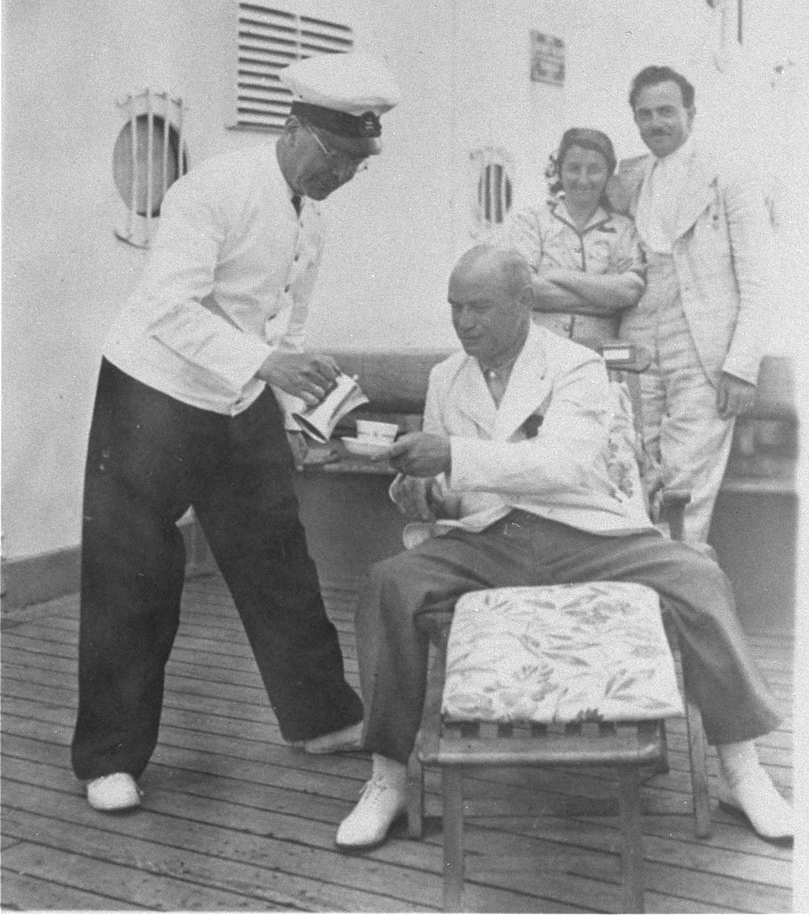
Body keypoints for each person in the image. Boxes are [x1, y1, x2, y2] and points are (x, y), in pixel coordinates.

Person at [335, 245, 792, 852]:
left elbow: (564, 465)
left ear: (524, 306)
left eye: (479, 308)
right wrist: (420, 489)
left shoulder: (576, 365)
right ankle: (387, 780)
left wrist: (450, 456)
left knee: (697, 576)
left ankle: (742, 770)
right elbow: (451, 490)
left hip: (584, 533)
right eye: (455, 308)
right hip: (490, 539)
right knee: (389, 583)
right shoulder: (448, 377)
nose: (464, 322)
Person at [72, 50, 401, 812]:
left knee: (276, 552)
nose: (344, 175)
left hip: (237, 393)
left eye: (357, 162)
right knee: (134, 573)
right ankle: (109, 759)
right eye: (338, 158)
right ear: (296, 131)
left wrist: (295, 407)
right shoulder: (213, 190)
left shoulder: (308, 219)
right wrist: (265, 365)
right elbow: (168, 305)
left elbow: (283, 327)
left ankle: (319, 717)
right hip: (150, 392)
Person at [608, 65, 772, 542]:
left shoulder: (730, 177)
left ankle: (677, 589)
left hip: (699, 345)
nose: (655, 123)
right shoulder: (635, 177)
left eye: (666, 111)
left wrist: (742, 367)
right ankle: (638, 591)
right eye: (645, 114)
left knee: (686, 483)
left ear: (691, 113)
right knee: (634, 460)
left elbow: (758, 281)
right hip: (638, 339)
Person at [503, 127, 645, 349]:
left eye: (594, 169)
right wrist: (604, 300)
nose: (583, 179)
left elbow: (630, 291)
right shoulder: (532, 221)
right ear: (559, 170)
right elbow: (523, 288)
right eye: (574, 168)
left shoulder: (624, 228)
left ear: (608, 173)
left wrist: (557, 275)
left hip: (600, 354)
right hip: (540, 349)